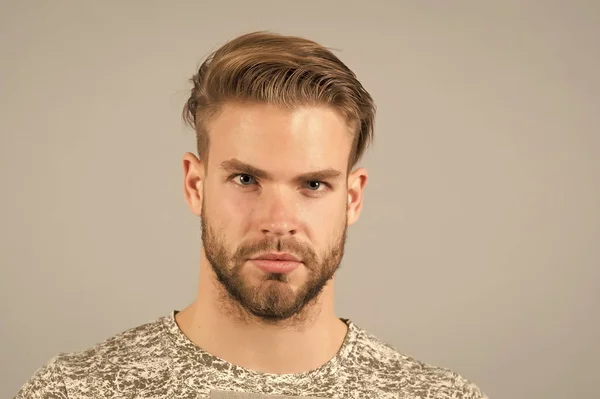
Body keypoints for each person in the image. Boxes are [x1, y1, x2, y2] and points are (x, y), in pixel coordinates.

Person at [15, 31, 486, 399]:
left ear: (353, 198)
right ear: (195, 185)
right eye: (246, 180)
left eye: (313, 185)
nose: (278, 220)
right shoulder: (75, 391)